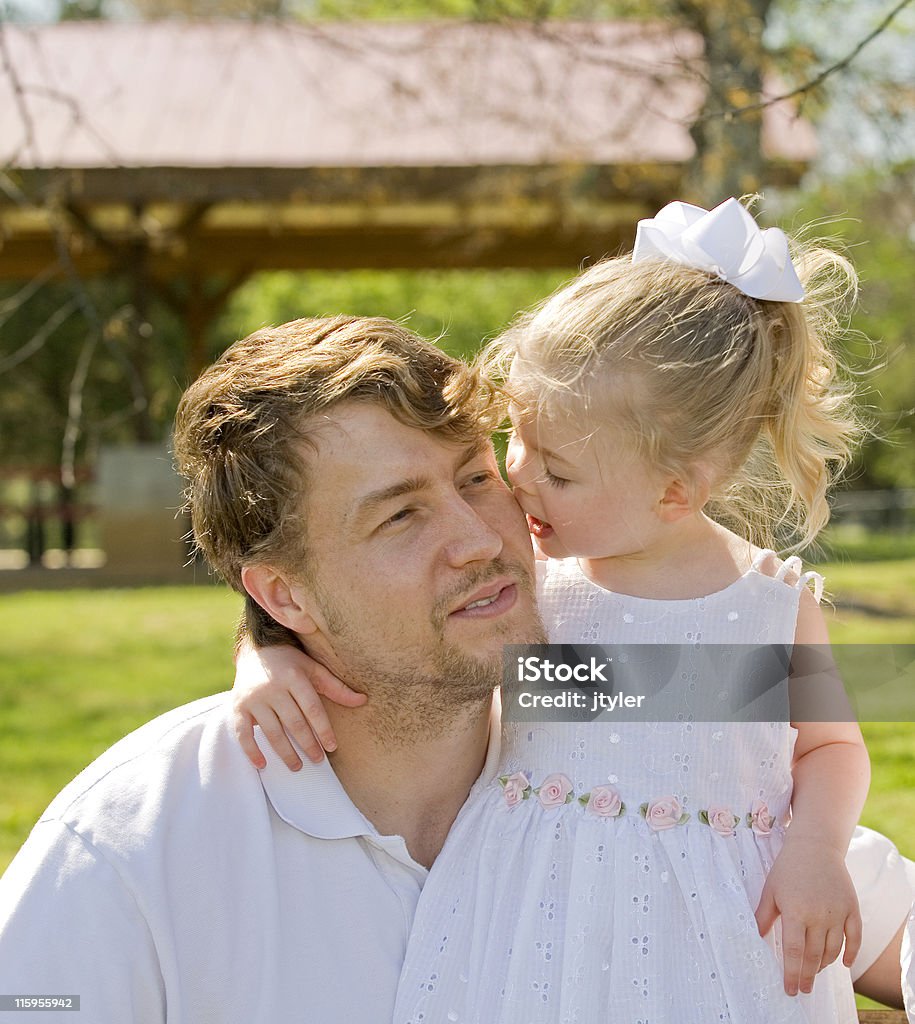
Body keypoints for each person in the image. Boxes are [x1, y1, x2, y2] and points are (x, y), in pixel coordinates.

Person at [229, 199, 914, 1022]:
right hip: (533, 921)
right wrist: (262, 652)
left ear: (673, 491)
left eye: (555, 468)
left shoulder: (764, 606)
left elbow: (830, 748)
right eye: (515, 437)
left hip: (714, 933)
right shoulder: (534, 592)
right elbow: (391, 650)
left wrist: (815, 850)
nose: (516, 476)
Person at [0, 316, 546, 1021]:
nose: (478, 540)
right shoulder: (132, 839)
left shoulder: (588, 701)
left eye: (475, 477)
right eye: (401, 516)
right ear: (284, 596)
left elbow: (737, 686)